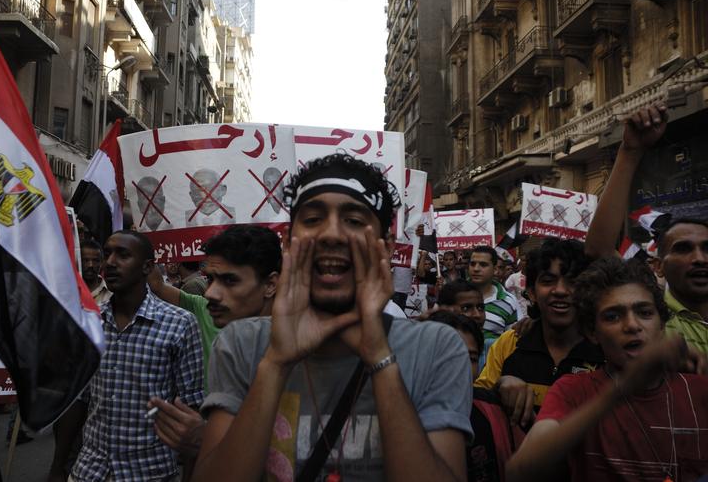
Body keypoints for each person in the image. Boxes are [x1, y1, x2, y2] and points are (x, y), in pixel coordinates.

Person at [192, 154, 473, 482]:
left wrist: (380, 357)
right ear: (287, 242)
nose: (332, 235)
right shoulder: (242, 345)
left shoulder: (436, 349)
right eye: (312, 219)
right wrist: (276, 364)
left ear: (386, 246)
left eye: (354, 221)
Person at [506, 257, 708, 481]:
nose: (632, 325)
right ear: (593, 333)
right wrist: (619, 390)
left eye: (645, 312)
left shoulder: (699, 389)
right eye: (612, 316)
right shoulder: (574, 391)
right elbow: (519, 472)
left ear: (661, 325)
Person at [50, 231, 204, 482]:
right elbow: (78, 400)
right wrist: (57, 468)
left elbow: (192, 411)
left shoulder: (180, 324)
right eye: (107, 253)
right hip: (90, 470)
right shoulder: (90, 323)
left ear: (146, 267)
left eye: (123, 255)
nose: (110, 262)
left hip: (149, 471)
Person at [144, 224, 282, 460]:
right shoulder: (226, 339)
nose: (210, 293)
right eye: (211, 279)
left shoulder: (301, 349)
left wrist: (206, 439)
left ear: (270, 285)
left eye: (230, 281)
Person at [584, 103, 708, 356]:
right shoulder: (651, 321)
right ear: (659, 265)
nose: (699, 259)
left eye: (707, 248)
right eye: (683, 249)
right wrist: (630, 151)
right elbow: (599, 249)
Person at [475, 238, 603, 427]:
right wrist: (499, 387)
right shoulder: (510, 343)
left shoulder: (606, 348)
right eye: (548, 281)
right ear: (532, 292)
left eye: (573, 281)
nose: (560, 290)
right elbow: (478, 407)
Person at [428, 310, 524, 482]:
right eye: (448, 355)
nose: (461, 366)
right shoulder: (400, 417)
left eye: (471, 358)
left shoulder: (495, 410)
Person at [469, 246, 524, 348]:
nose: (476, 269)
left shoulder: (509, 301)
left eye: (483, 265)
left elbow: (512, 340)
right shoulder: (456, 295)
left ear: (495, 270)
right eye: (472, 264)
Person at [80, 239, 111, 304]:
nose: (90, 265)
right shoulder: (69, 290)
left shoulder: (111, 292)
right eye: (85, 260)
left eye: (95, 261)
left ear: (102, 263)